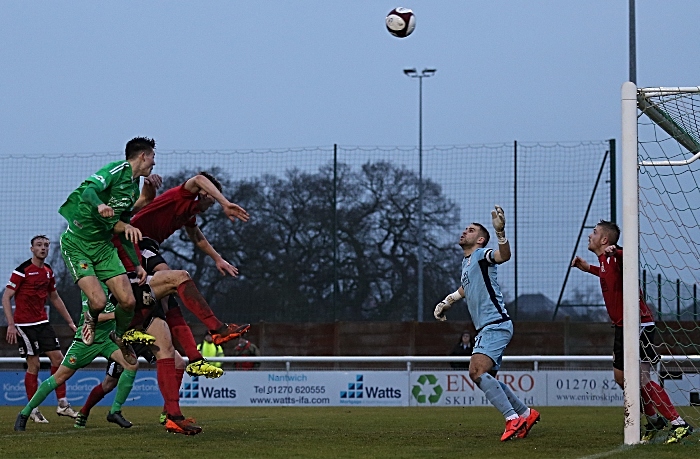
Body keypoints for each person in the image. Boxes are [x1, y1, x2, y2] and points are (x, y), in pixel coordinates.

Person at [571, 220, 693, 444]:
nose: (590, 235)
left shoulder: (615, 256)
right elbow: (609, 277)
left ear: (605, 240)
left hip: (638, 324)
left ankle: (678, 423)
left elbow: (628, 257)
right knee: (621, 378)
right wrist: (588, 268)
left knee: (641, 378)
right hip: (621, 326)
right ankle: (655, 421)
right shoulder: (604, 260)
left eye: (595, 232)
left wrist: (616, 251)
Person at [434, 206, 540, 442]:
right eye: (465, 229)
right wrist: (447, 301)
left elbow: (504, 256)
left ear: (480, 239)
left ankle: (512, 419)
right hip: (490, 326)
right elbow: (466, 288)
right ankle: (525, 413)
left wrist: (501, 234)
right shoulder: (468, 263)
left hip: (495, 324)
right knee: (487, 377)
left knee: (476, 371)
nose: (464, 232)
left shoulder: (481, 255)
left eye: (470, 230)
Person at [127, 171, 250, 373]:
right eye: (211, 200)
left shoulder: (189, 212)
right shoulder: (183, 194)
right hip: (136, 240)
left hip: (148, 245)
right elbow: (200, 179)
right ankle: (214, 329)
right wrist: (225, 203)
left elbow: (196, 235)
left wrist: (217, 258)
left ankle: (193, 357)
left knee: (168, 296)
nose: (210, 207)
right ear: (204, 193)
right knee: (171, 278)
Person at [57, 137, 159, 362]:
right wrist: (100, 204)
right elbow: (88, 192)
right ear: (143, 155)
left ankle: (121, 337)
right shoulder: (115, 170)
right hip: (78, 245)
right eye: (152, 157)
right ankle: (91, 318)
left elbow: (123, 231)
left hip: (103, 247)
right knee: (99, 302)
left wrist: (136, 265)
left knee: (129, 302)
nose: (154, 163)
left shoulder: (133, 189)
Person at [14, 284, 139, 432]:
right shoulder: (90, 285)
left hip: (107, 340)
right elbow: (91, 316)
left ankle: (115, 411)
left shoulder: (115, 285)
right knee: (58, 378)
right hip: (85, 342)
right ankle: (24, 413)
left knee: (132, 364)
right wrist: (118, 314)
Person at [3, 235, 79, 423]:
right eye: (39, 245)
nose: (43, 248)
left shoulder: (48, 271)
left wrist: (70, 321)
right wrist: (11, 324)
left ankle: (62, 403)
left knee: (59, 359)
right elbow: (6, 297)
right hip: (24, 326)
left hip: (42, 323)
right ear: (32, 249)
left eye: (46, 245)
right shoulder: (22, 271)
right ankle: (34, 409)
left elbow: (54, 297)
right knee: (34, 364)